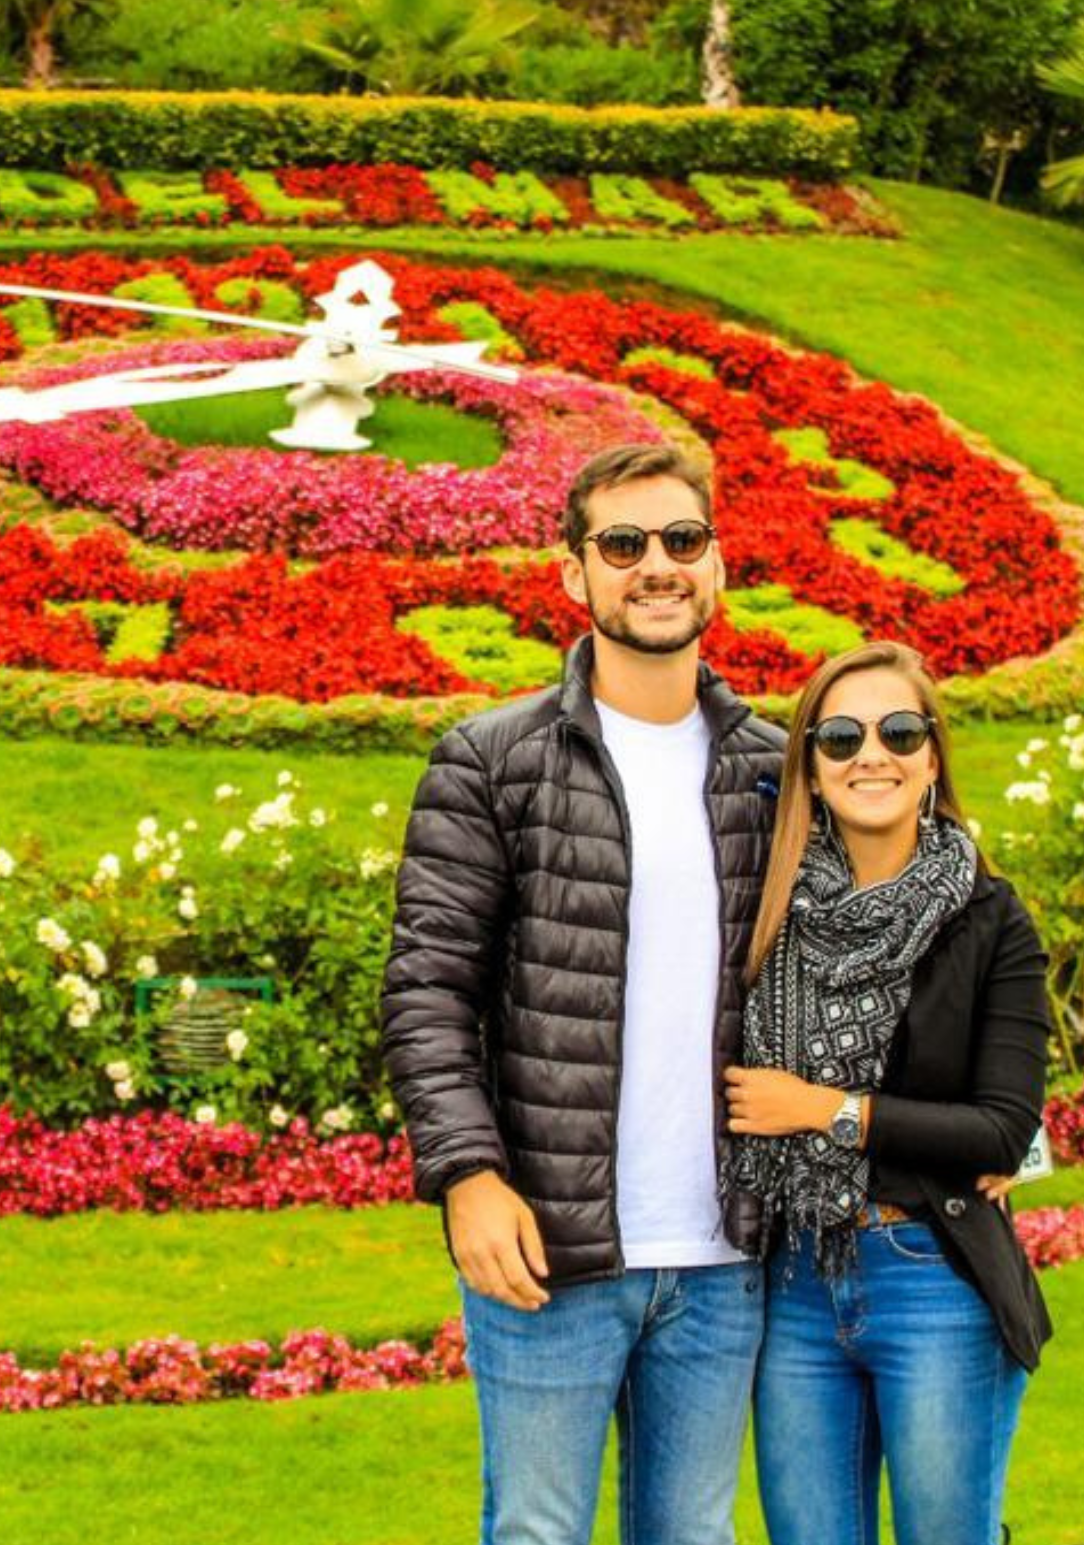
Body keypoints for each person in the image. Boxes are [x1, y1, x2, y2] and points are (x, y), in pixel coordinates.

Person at [381, 443, 785, 1545]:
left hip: (721, 1257)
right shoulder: (490, 759)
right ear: (575, 575)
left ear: (716, 568)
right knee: (537, 1534)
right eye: (622, 545)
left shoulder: (776, 768)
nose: (654, 566)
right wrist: (466, 1175)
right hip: (548, 1251)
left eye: (679, 541)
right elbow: (426, 989)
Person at [722, 639, 1052, 1545]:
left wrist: (822, 1108)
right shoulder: (762, 902)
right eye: (840, 736)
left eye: (899, 730)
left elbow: (1002, 1126)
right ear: (811, 768)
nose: (872, 753)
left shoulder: (989, 916)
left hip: (932, 1279)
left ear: (933, 756)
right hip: (793, 1278)